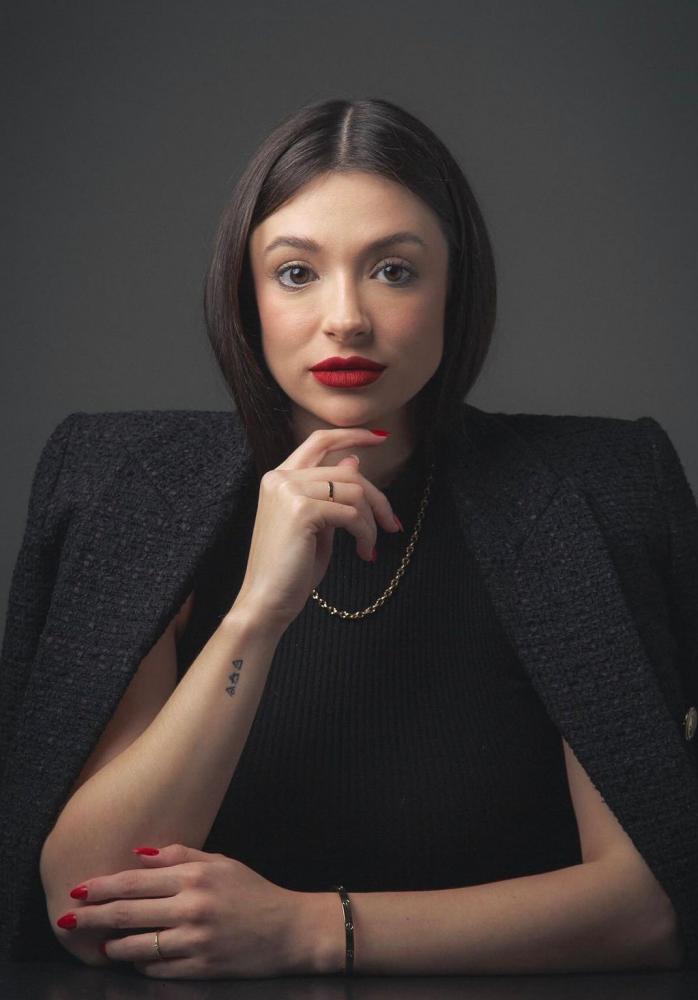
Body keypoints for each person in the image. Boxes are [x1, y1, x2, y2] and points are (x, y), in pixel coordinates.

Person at [1, 96, 697, 980]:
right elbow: (88, 905)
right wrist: (258, 612)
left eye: (394, 271)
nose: (346, 319)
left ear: (455, 290)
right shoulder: (129, 494)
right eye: (296, 273)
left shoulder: (595, 493)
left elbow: (653, 905)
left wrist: (309, 931)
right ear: (246, 296)